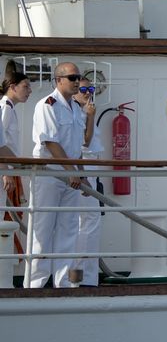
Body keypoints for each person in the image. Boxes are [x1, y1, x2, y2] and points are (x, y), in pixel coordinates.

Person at [26, 62, 88, 288]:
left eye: (78, 77)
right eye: (72, 77)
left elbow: (76, 147)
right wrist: (71, 172)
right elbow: (51, 143)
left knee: (68, 230)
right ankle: (35, 286)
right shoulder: (47, 105)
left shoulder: (75, 108)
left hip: (70, 178)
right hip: (50, 177)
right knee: (42, 231)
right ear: (59, 80)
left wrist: (83, 175)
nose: (77, 82)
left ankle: (62, 284)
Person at [73, 77, 104, 286]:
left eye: (90, 89)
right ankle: (84, 277)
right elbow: (84, 140)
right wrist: (91, 116)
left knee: (85, 223)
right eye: (83, 89)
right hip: (82, 169)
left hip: (90, 169)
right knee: (88, 222)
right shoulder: (79, 112)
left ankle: (84, 275)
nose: (87, 92)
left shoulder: (80, 110)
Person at [1, 66, 32, 252]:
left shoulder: (9, 109)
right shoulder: (4, 108)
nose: (29, 91)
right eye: (26, 86)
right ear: (12, 86)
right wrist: (6, 173)